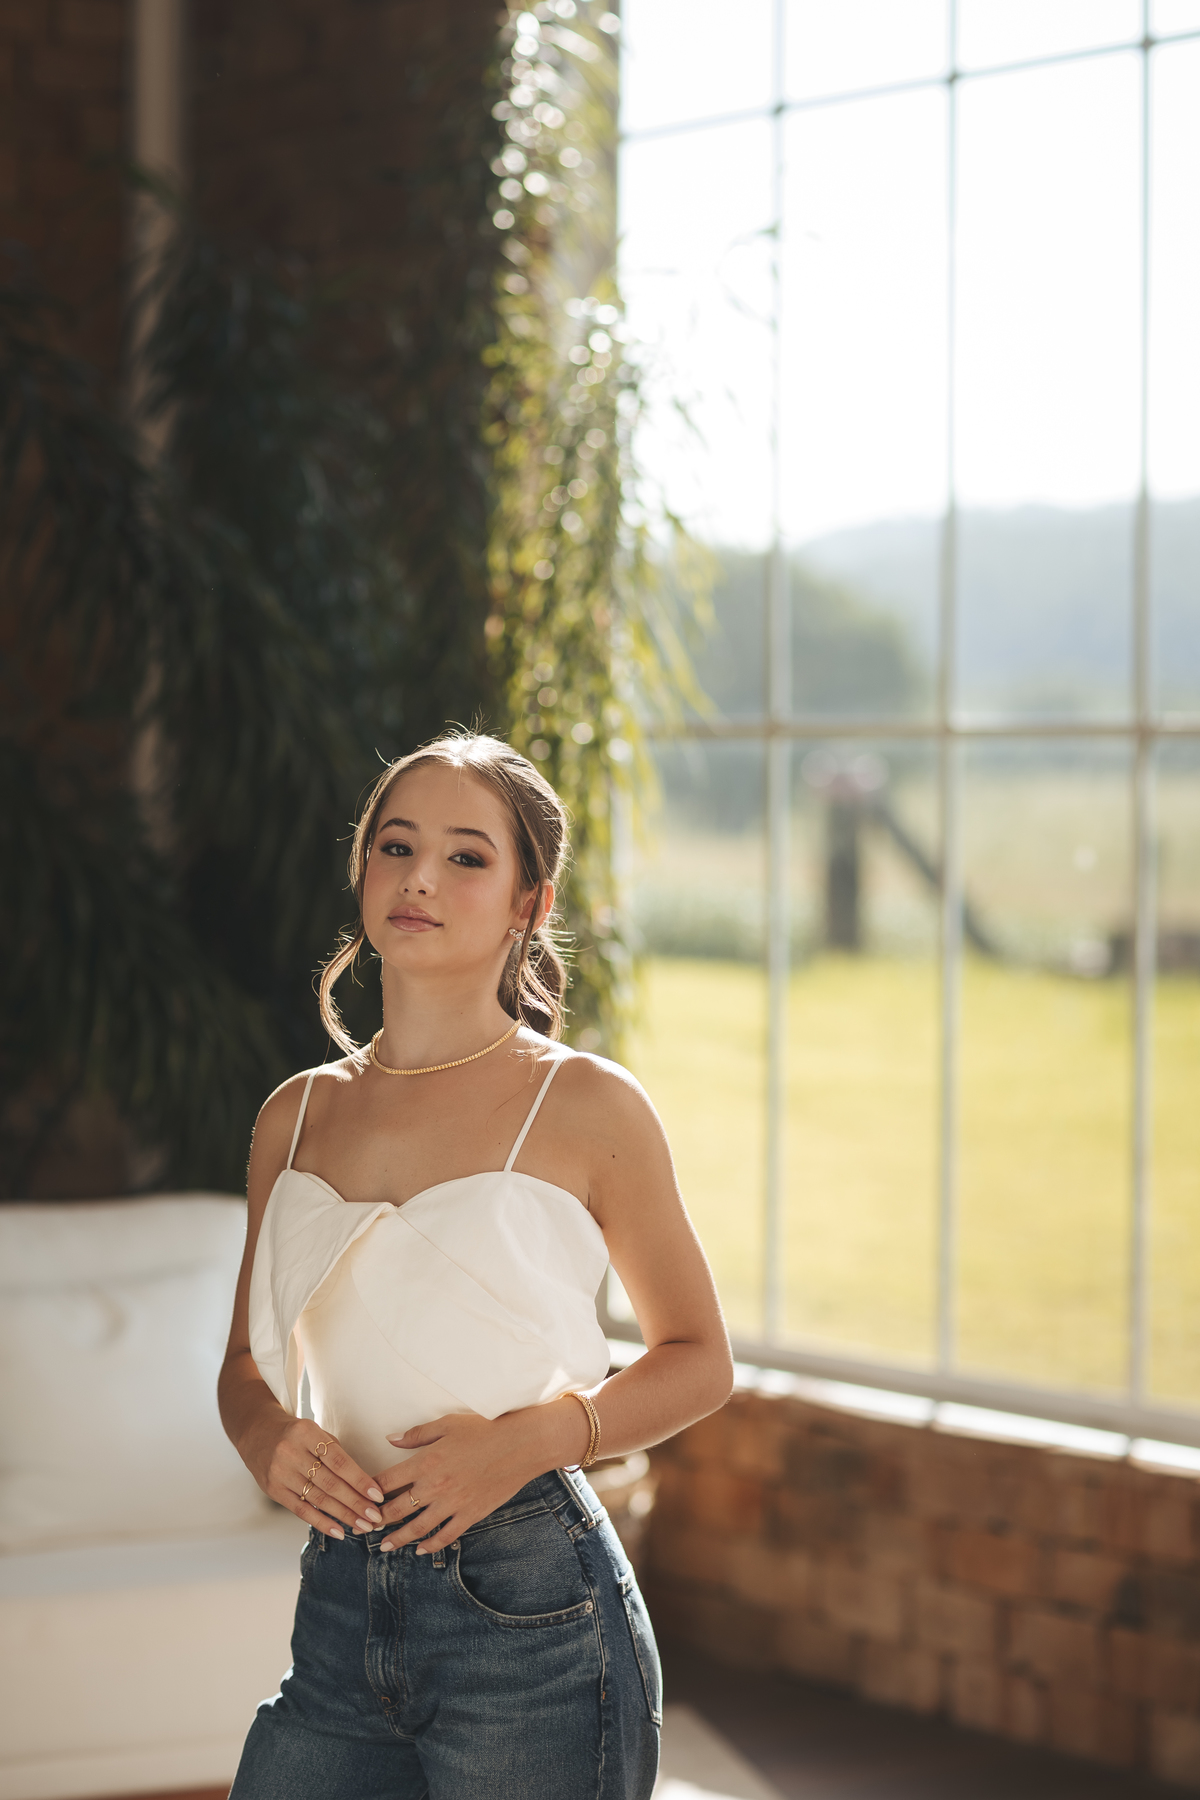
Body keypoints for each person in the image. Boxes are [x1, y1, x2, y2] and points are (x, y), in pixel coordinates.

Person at [219, 730, 733, 1800]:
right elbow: (242, 1368)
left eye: (465, 857)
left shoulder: (587, 1104)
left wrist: (532, 1441)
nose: (419, 877)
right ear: (363, 872)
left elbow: (698, 1359)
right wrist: (266, 1437)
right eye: (395, 846)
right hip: (341, 1601)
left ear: (527, 905)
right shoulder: (293, 1116)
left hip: (532, 1604)